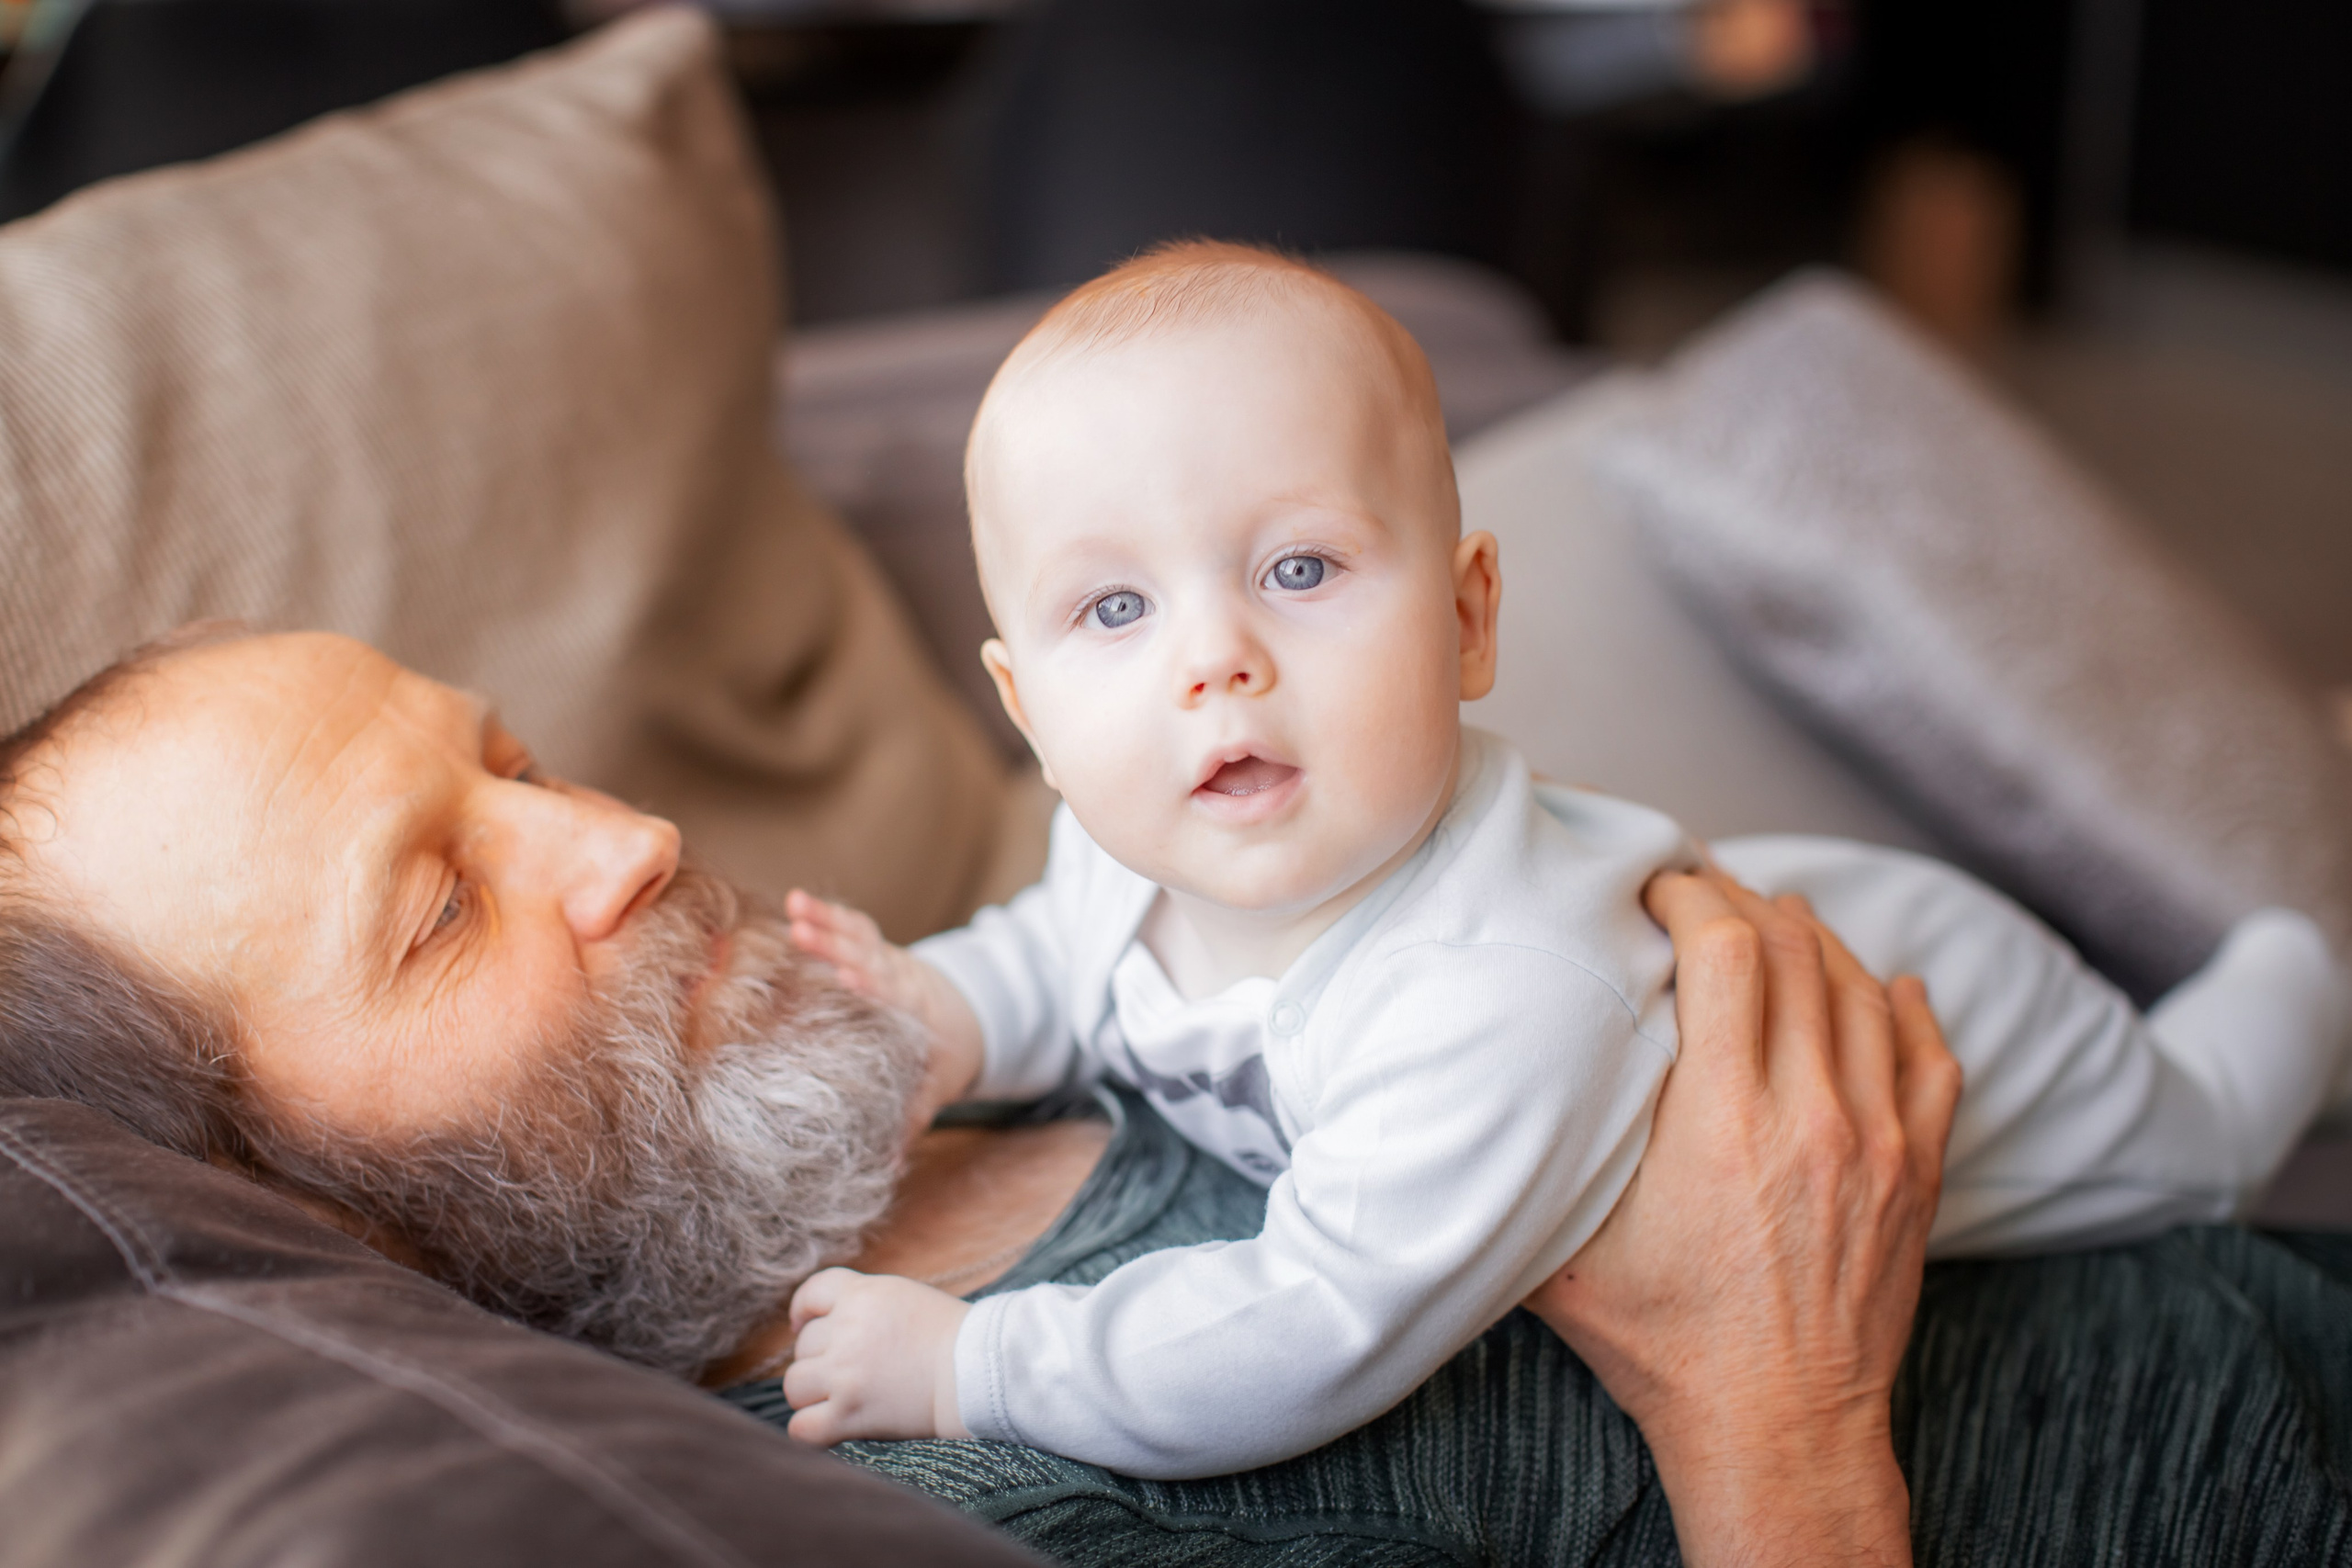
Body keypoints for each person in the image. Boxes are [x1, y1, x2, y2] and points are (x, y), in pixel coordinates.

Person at [775, 241, 2352, 1477]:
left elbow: (1310, 1327)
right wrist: (936, 1018)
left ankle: (2305, 963)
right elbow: (1055, 955)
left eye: (1300, 566)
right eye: (1114, 611)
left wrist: (974, 1367)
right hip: (1763, 892)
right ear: (1026, 708)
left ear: (1468, 617)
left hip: (1966, 1024)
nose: (1214, 660)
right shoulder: (1128, 843)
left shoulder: (1495, 993)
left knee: (2205, 1125)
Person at [0, 625, 1954, 1566]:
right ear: (307, 1211)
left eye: (514, 756)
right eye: (439, 907)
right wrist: (1781, 1425)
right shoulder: (991, 1502)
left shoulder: (924, 1037)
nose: (627, 837)